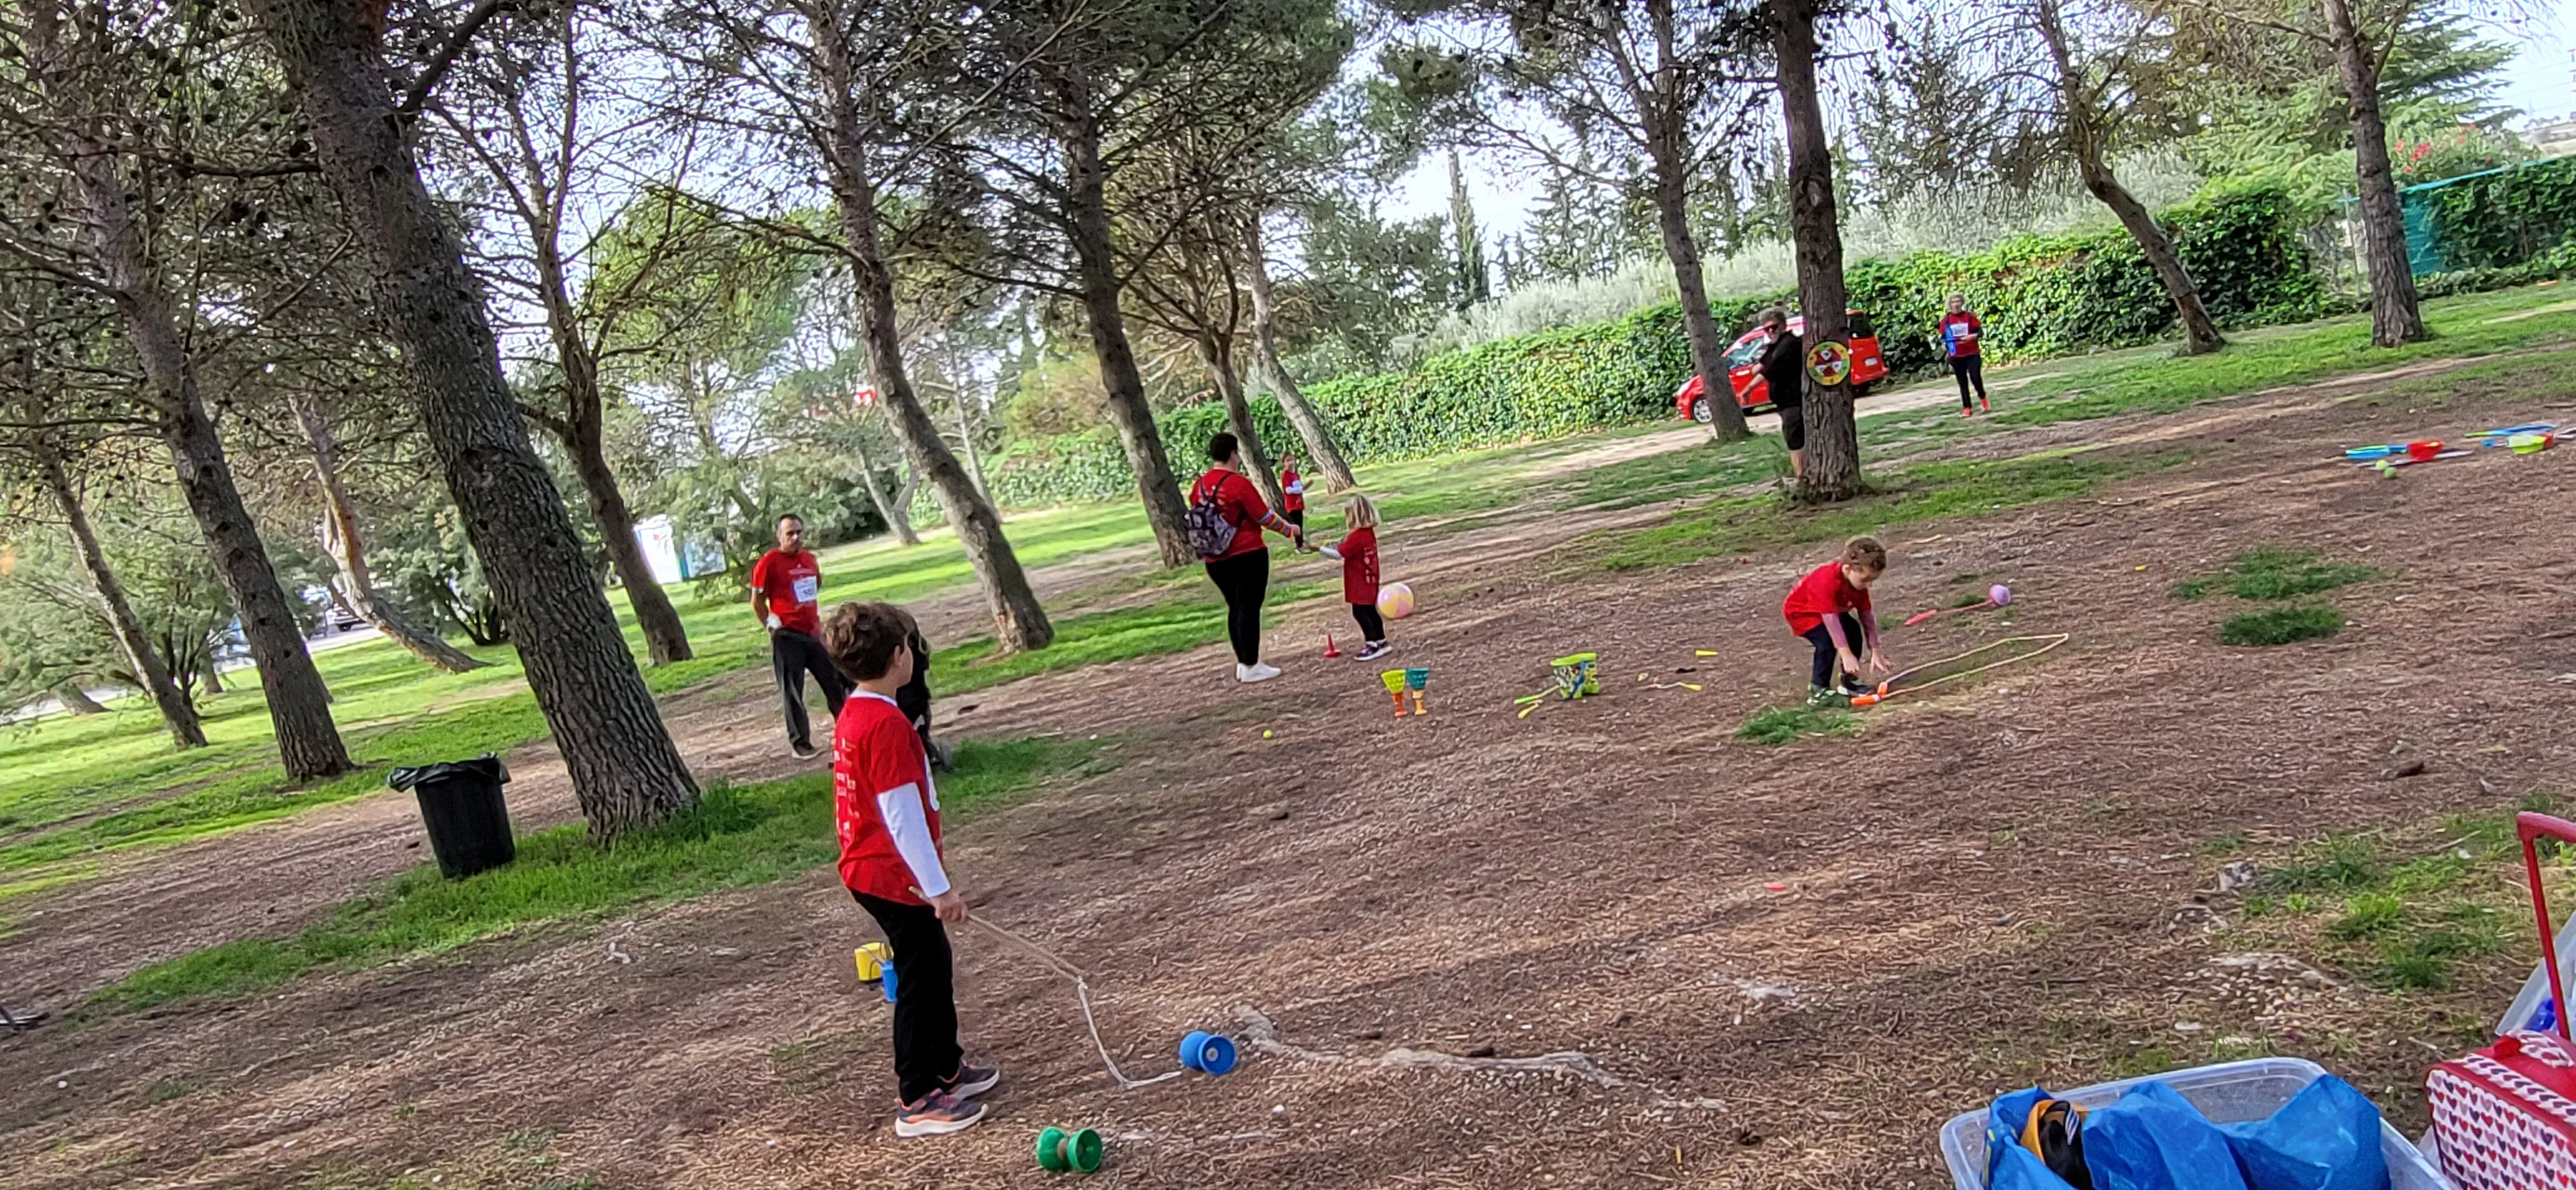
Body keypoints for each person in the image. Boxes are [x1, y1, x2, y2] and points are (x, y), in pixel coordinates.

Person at [824, 600, 998, 1138]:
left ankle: (948, 1066)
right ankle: (917, 1095)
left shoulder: (857, 711)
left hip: (879, 871)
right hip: (890, 877)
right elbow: (901, 819)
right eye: (911, 648)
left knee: (933, 963)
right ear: (899, 657)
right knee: (919, 980)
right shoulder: (885, 725)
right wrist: (938, 889)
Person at [1189, 432, 1305, 683]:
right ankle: (1252, 665)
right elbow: (1263, 516)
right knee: (1250, 608)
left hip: (1215, 559)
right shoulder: (1237, 483)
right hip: (1247, 553)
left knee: (1236, 608)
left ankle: (1243, 663)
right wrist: (1290, 529)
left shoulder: (1199, 486)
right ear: (1233, 454)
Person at [750, 513, 848, 759]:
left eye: (799, 532)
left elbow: (816, 584)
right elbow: (757, 600)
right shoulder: (769, 562)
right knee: (793, 690)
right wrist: (769, 623)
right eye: (790, 533)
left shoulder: (809, 559)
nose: (796, 537)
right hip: (787, 635)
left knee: (835, 682)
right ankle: (800, 743)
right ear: (779, 536)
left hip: (814, 632)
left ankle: (848, 732)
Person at [1783, 536, 1891, 705]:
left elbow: (1867, 617)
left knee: (1853, 629)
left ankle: (1849, 681)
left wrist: (1875, 651)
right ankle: (1818, 690)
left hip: (1832, 610)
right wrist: (1846, 653)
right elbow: (1831, 621)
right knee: (1826, 642)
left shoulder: (1858, 586)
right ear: (1848, 570)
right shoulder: (1827, 582)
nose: (1868, 586)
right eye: (1865, 580)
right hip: (1803, 613)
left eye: (1872, 581)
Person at [1315, 494, 1390, 661]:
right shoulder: (1368, 533)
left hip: (1359, 582)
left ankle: (1372, 645)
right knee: (1370, 610)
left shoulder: (1357, 536)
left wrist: (1318, 549)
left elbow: (1339, 554)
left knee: (1360, 612)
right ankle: (1382, 641)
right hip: (1370, 579)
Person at [889, 607, 948, 772]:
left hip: (911, 701)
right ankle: (926, 751)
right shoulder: (916, 652)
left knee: (915, 729)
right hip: (911, 702)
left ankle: (926, 751)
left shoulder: (912, 655)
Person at [1755, 308, 1807, 478]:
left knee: (1795, 440)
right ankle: (1801, 474)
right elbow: (1760, 366)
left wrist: (1748, 389)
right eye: (1767, 329)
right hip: (1784, 403)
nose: (1771, 332)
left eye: (1774, 327)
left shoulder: (1789, 344)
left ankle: (1801, 476)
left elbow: (1770, 370)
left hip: (1793, 400)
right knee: (1792, 437)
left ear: (1784, 325)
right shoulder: (1776, 346)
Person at [1938, 294, 1988, 417]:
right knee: (1962, 383)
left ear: (1962, 303)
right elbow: (1942, 337)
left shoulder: (1970, 317)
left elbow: (1980, 332)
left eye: (1959, 301)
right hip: (1956, 356)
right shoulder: (1946, 320)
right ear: (1949, 305)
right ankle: (1967, 408)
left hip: (1972, 353)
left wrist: (1971, 337)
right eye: (1954, 302)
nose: (1956, 304)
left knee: (1975, 378)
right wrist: (1947, 343)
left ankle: (1983, 399)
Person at [1279, 453, 1306, 531]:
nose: (1290, 462)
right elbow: (1288, 490)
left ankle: (1301, 542)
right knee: (1296, 525)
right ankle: (1299, 543)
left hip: (1299, 503)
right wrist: (1301, 489)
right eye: (1288, 461)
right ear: (1284, 463)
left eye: (1292, 460)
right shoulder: (1286, 475)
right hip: (1292, 504)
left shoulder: (1296, 475)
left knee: (1300, 525)